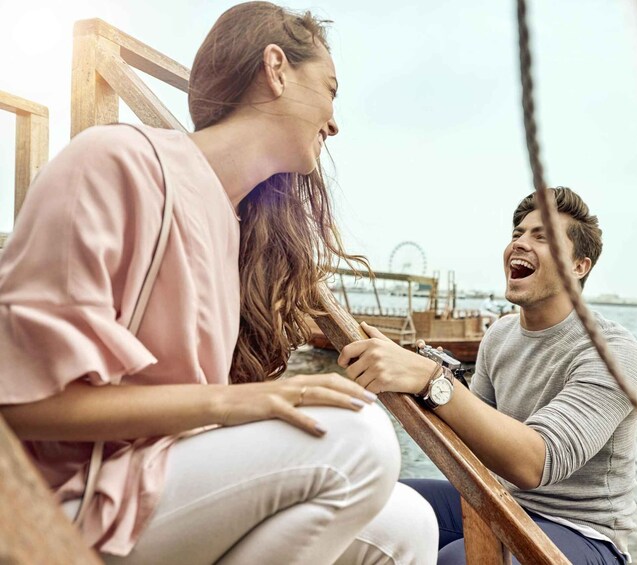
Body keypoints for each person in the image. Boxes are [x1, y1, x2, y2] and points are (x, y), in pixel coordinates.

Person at [0, 3, 437, 563]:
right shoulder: (116, 161)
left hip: (157, 480)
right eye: (330, 89)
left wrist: (234, 406)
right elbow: (20, 404)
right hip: (63, 502)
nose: (335, 121)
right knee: (360, 441)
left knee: (409, 524)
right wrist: (234, 403)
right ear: (276, 69)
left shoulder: (231, 230)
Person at [339, 187, 637, 564]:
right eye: (517, 233)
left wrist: (433, 380)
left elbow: (537, 463)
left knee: (460, 559)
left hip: (585, 534)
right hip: (502, 502)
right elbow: (469, 448)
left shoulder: (614, 352)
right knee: (374, 507)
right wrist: (407, 375)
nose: (520, 243)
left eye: (542, 236)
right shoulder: (500, 335)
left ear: (579, 266)